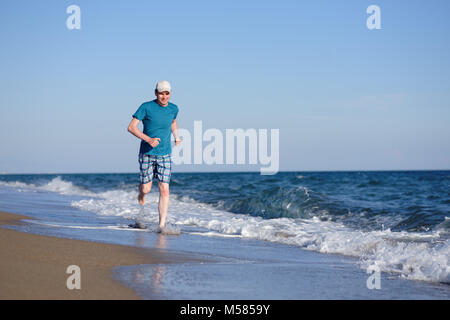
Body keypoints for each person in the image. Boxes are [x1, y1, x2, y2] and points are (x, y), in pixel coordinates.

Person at [127, 80, 181, 233]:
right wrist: (149, 140)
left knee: (164, 189)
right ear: (156, 93)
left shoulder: (174, 108)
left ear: (170, 93)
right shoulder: (146, 107)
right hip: (147, 154)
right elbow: (131, 127)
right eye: (161, 93)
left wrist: (176, 136)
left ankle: (161, 225)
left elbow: (173, 122)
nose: (164, 96)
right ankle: (141, 194)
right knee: (146, 188)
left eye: (167, 93)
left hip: (165, 154)